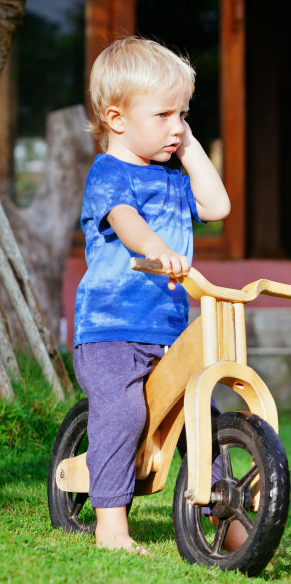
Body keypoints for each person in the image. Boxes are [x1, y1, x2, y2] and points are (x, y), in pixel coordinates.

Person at [73, 37, 246, 554]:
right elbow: (125, 221)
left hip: (167, 333)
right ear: (117, 118)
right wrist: (158, 248)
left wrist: (192, 149)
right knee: (123, 412)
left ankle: (231, 521)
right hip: (110, 332)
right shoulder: (108, 172)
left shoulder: (173, 178)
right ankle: (110, 523)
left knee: (203, 421)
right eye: (165, 114)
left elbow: (216, 208)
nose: (177, 125)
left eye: (184, 114)